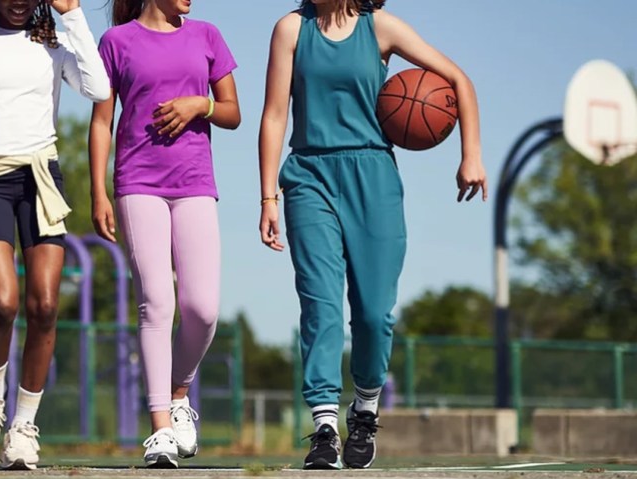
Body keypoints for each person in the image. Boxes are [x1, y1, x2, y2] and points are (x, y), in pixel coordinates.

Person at [257, 0, 486, 470]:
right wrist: (268, 197)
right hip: (308, 176)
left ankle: (364, 410)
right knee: (320, 304)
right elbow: (275, 115)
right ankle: (323, 427)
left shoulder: (380, 28)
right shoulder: (290, 30)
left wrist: (471, 154)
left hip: (373, 174)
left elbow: (460, 80)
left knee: (374, 313)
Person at [0, 0, 109, 469]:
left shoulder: (51, 40)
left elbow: (98, 86)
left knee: (46, 305)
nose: (18, 2)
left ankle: (24, 424)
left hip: (40, 175)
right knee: (4, 301)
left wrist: (73, 14)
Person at [88, 0, 241, 468]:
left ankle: (179, 392)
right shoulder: (116, 42)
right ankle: (159, 431)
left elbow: (233, 112)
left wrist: (202, 105)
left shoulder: (208, 36)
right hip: (137, 184)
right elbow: (101, 122)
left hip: (195, 183)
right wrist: (98, 191)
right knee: (157, 301)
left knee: (203, 308)